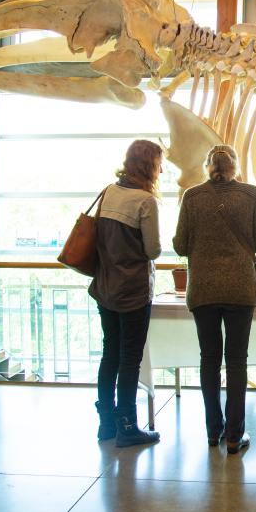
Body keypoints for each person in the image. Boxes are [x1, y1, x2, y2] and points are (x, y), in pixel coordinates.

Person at [172, 144, 256, 455]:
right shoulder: (250, 194)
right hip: (241, 289)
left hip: (203, 289)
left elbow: (179, 246)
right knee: (237, 361)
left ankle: (212, 433)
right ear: (235, 167)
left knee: (209, 360)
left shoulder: (192, 196)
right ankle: (234, 436)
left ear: (207, 166)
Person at [89, 139, 163, 448]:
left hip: (106, 287)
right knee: (130, 359)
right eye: (159, 163)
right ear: (150, 166)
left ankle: (106, 422)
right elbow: (153, 249)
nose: (161, 169)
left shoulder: (109, 192)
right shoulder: (145, 201)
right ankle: (129, 425)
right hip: (133, 291)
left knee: (110, 353)